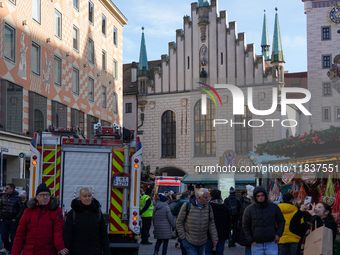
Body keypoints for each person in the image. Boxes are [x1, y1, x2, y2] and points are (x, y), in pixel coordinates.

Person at [11, 183, 68, 255]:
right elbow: (20, 234)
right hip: (30, 251)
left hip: (48, 251)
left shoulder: (56, 211)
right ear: (37, 197)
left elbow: (58, 231)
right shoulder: (28, 211)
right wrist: (15, 253)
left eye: (47, 195)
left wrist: (60, 246)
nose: (45, 197)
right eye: (42, 195)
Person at [63, 186, 110, 254]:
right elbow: (67, 236)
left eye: (89, 196)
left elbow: (104, 236)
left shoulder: (98, 213)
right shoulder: (73, 213)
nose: (87, 198)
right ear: (80, 197)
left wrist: (107, 252)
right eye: (84, 196)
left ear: (92, 196)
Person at [242, 186, 285, 255]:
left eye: (262, 195)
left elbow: (281, 221)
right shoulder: (249, 209)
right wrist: (251, 240)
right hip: (256, 244)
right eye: (258, 196)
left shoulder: (274, 207)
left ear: (265, 195)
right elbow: (245, 225)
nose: (260, 197)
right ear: (255, 197)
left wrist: (278, 234)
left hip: (271, 242)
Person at [176, 188, 218, 255]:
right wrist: (183, 237)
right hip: (189, 240)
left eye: (208, 197)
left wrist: (214, 238)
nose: (208, 199)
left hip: (202, 241)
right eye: (206, 197)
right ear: (199, 198)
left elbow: (211, 223)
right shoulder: (187, 205)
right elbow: (179, 222)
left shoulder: (208, 207)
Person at [0, 183, 24, 254]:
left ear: (12, 189)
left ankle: (11, 251)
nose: (6, 190)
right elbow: (0, 207)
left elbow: (21, 209)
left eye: (7, 188)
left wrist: (16, 218)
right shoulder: (3, 197)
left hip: (13, 221)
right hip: (4, 220)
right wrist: (1, 217)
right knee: (4, 236)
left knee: (13, 236)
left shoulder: (17, 198)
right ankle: (7, 247)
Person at [205, 189, 230, 255]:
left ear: (211, 196)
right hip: (222, 234)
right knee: (220, 252)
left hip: (209, 234)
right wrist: (227, 235)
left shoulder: (208, 206)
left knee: (208, 251)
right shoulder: (225, 207)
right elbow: (228, 222)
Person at [235, 185, 254, 255]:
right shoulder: (251, 205)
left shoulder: (244, 203)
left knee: (248, 248)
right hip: (251, 230)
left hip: (245, 230)